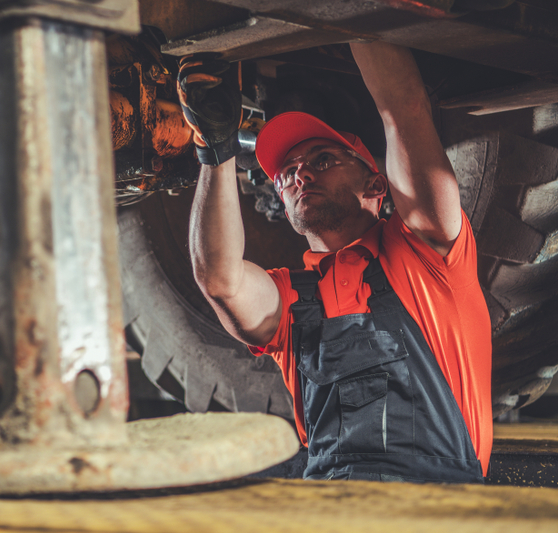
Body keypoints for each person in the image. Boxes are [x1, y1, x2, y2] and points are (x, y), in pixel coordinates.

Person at [180, 41, 492, 483]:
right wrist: (215, 150)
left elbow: (403, 112)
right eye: (286, 174)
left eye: (322, 160)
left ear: (376, 183)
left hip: (436, 516)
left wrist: (348, 4)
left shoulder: (426, 255)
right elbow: (221, 279)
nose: (300, 175)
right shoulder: (291, 301)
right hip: (334, 512)